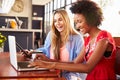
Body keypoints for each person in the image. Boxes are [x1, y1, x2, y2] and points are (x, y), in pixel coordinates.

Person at [28, 1, 117, 80]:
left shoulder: (104, 37)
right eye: (76, 22)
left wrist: (50, 65)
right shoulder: (88, 40)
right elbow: (74, 62)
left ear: (91, 19)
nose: (77, 26)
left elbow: (87, 67)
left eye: (79, 21)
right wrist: (47, 60)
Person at [27, 9, 85, 80]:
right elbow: (45, 49)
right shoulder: (51, 34)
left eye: (60, 19)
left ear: (67, 20)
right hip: (50, 73)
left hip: (69, 76)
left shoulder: (77, 38)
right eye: (55, 21)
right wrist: (33, 52)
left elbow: (81, 64)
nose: (57, 23)